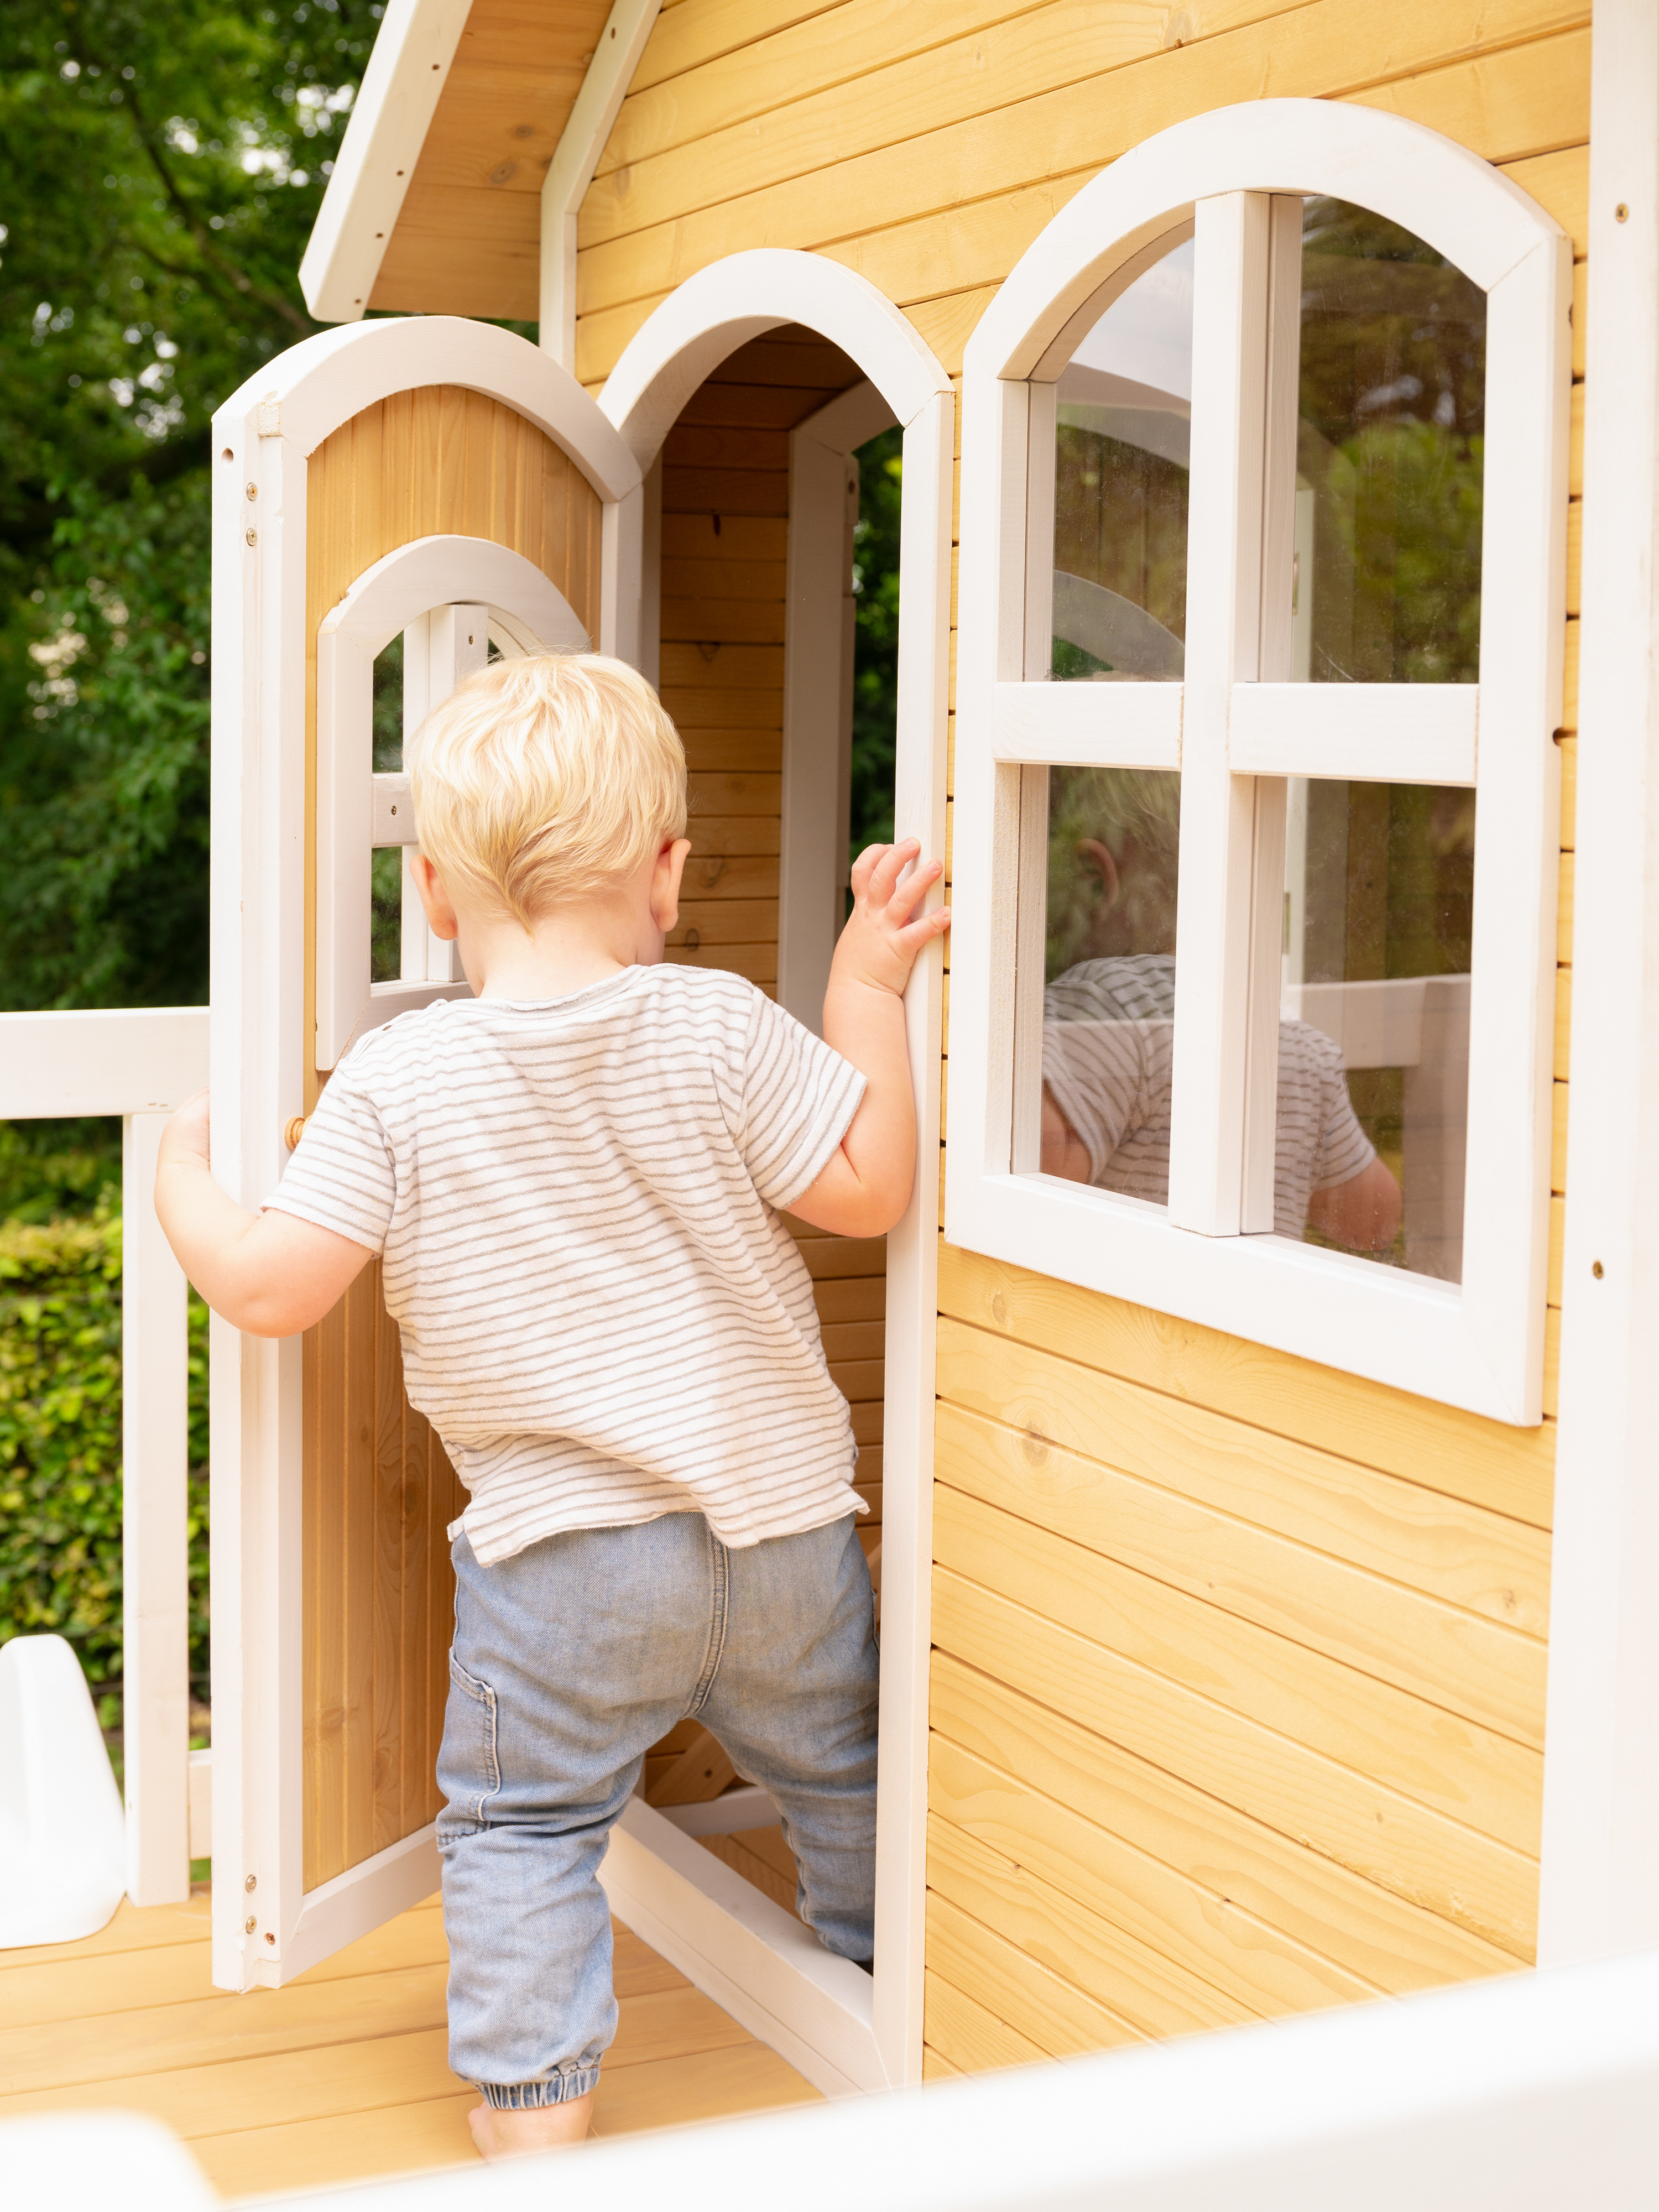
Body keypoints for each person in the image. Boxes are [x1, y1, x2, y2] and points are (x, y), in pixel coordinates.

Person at [153, 653, 950, 2159]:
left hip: (565, 1563)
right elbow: (873, 1187)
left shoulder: (399, 1080)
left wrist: (183, 1179)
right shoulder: (715, 1023)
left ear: (438, 895)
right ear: (665, 872)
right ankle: (871, 1991)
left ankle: (537, 2113)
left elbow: (267, 1288)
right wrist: (867, 983)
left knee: (524, 1828)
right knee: (846, 1773)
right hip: (782, 1538)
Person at [1039, 950, 1402, 1251]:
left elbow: (1031, 1185)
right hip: (1246, 1322)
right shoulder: (1294, 1042)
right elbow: (1374, 1220)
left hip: (1130, 1326)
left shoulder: (1107, 1000)